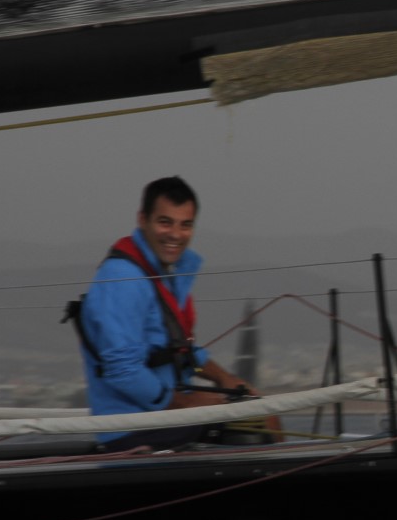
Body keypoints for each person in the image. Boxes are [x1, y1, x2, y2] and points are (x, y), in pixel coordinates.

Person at [76, 176, 260, 452]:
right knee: (257, 426)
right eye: (165, 222)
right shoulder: (123, 278)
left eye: (185, 225)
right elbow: (123, 370)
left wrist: (225, 379)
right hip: (133, 429)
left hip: (164, 419)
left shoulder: (161, 275)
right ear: (143, 220)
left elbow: (180, 348)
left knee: (258, 412)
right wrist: (187, 404)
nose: (175, 234)